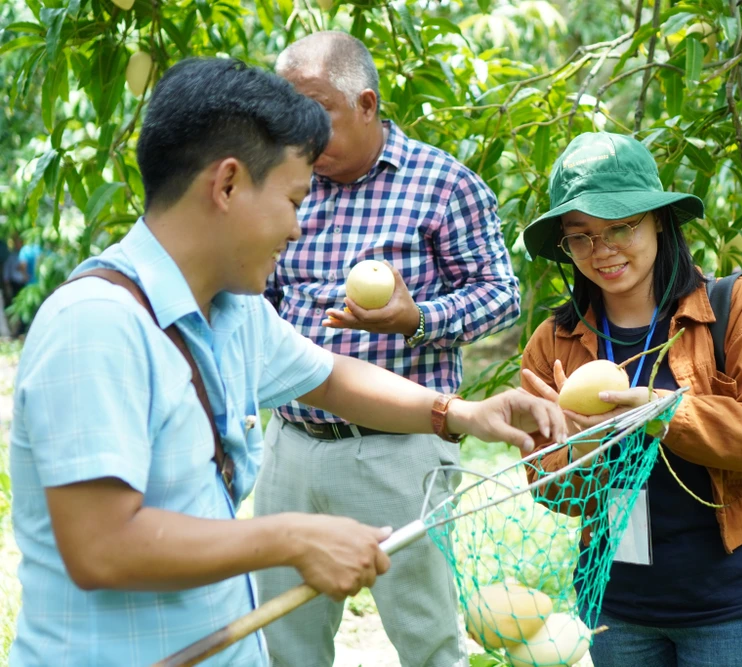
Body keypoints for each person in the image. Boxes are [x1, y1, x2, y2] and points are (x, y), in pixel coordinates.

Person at [8, 57, 565, 667]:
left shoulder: (232, 311)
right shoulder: (98, 326)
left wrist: (463, 412)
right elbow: (100, 548)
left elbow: (330, 376)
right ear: (226, 185)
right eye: (295, 199)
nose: (300, 229)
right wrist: (292, 537)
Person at [255, 31, 521, 667]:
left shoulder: (441, 184)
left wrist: (417, 319)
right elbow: (263, 292)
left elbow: (501, 294)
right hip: (291, 442)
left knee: (427, 639)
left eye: (315, 111)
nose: (299, 132)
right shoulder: (289, 182)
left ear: (367, 104)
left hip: (400, 453)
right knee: (284, 637)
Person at [518, 132, 742, 667]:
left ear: (659, 222)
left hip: (725, 605)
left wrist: (661, 412)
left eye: (620, 227)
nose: (601, 251)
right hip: (616, 608)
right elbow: (548, 486)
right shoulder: (554, 341)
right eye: (580, 237)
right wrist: (584, 444)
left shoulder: (734, 307)